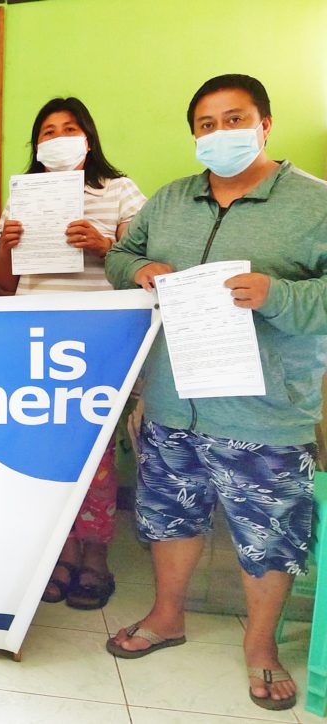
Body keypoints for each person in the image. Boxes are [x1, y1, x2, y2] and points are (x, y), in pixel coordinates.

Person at [105, 74, 327, 713]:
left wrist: (278, 295)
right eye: (205, 124)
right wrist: (140, 268)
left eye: (234, 119)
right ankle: (166, 616)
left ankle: (260, 648)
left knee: (268, 532)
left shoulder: (313, 204)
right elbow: (123, 255)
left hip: (265, 410)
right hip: (174, 398)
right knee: (170, 516)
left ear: (265, 124)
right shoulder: (171, 201)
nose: (219, 133)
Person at [0, 97, 147, 609]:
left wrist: (106, 246)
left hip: (99, 338)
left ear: (89, 136)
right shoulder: (20, 197)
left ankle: (95, 554)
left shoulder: (119, 191)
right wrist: (6, 244)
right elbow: (0, 282)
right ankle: (57, 553)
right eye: (47, 131)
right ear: (36, 145)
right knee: (46, 451)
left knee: (97, 454)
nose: (58, 138)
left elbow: (142, 269)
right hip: (35, 335)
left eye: (70, 128)